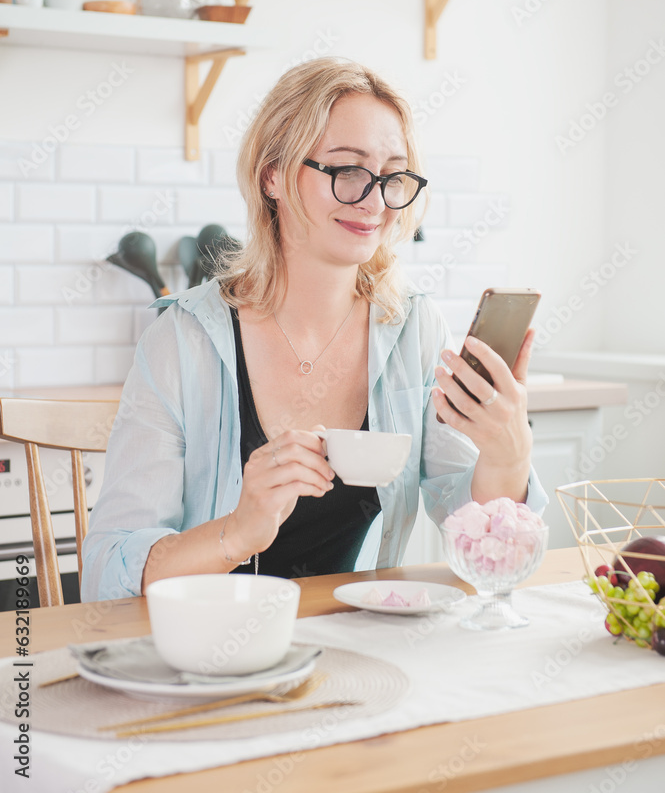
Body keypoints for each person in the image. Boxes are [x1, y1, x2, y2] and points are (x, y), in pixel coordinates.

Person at [81, 57, 547, 601]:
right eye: (348, 171)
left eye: (392, 176)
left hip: (362, 653)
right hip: (209, 659)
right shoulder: (182, 341)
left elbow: (482, 544)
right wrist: (238, 531)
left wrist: (508, 453)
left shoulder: (414, 329)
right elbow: (106, 573)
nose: (375, 201)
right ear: (272, 175)